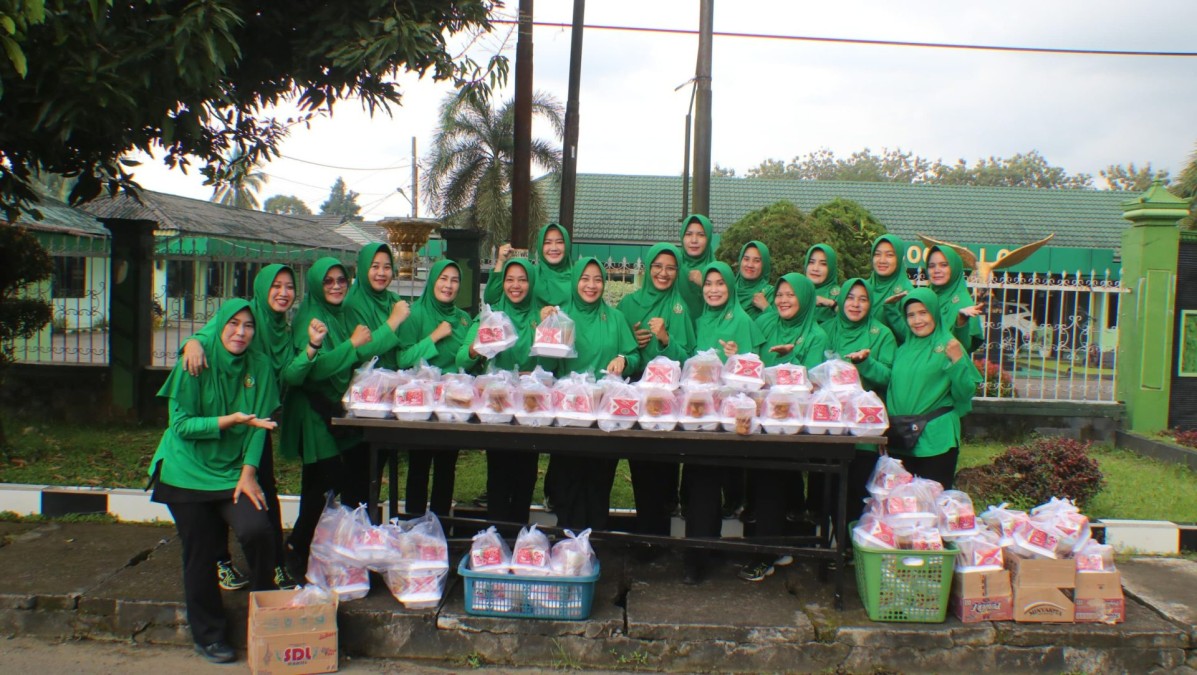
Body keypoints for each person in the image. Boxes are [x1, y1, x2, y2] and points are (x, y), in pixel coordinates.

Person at [148, 299, 279, 664]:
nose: (240, 332)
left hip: (230, 472)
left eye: (249, 325)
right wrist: (230, 420)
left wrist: (249, 474)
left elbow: (261, 426)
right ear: (219, 326)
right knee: (200, 551)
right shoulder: (195, 361)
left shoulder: (261, 366)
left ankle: (265, 619)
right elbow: (182, 425)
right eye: (233, 324)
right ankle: (209, 635)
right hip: (186, 470)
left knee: (257, 531)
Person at [179, 264, 302, 591]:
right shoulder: (247, 316)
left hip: (259, 413)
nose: (283, 293)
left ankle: (274, 564)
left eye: (289, 287)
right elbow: (209, 334)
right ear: (263, 288)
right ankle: (221, 561)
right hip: (226, 411)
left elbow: (286, 372)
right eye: (276, 286)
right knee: (216, 486)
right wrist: (192, 342)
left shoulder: (284, 329)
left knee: (264, 485)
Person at [281, 257, 403, 577]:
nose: (336, 286)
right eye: (328, 281)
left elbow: (361, 350)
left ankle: (327, 549)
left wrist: (386, 330)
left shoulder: (344, 311)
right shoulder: (310, 316)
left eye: (340, 281)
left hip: (339, 409)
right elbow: (315, 369)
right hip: (315, 410)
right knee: (325, 482)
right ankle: (300, 549)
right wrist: (361, 339)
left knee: (332, 482)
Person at [740, 273, 831, 583]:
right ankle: (773, 546)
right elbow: (749, 362)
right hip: (759, 419)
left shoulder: (816, 335)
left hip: (790, 425)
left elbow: (813, 382)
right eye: (780, 294)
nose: (783, 300)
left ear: (805, 298)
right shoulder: (765, 323)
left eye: (792, 295)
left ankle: (763, 554)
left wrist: (786, 364)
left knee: (772, 481)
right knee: (761, 483)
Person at [544, 258, 641, 531]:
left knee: (599, 479)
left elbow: (634, 355)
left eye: (597, 279)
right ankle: (567, 540)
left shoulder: (615, 317)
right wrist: (546, 331)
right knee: (568, 477)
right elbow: (548, 363)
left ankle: (595, 539)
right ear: (576, 281)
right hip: (569, 411)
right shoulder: (560, 317)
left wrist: (623, 359)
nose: (591, 285)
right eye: (585, 278)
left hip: (604, 412)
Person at [457, 258, 553, 530]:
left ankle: (519, 536)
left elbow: (556, 362)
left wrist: (549, 328)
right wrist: (477, 347)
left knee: (526, 474)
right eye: (510, 279)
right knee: (498, 473)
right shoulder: (492, 315)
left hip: (530, 407)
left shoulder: (541, 315)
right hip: (497, 406)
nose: (516, 285)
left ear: (531, 282)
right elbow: (462, 359)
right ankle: (495, 537)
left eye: (522, 279)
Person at [684, 261, 764, 584]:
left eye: (720, 283)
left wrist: (736, 357)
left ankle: (697, 558)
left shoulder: (742, 321)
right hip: (700, 412)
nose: (713, 289)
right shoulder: (701, 319)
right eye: (708, 283)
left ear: (730, 287)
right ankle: (706, 548)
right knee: (699, 481)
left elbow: (756, 372)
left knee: (706, 482)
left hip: (729, 418)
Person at [617, 244, 695, 539]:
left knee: (665, 465)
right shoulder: (628, 305)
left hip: (668, 399)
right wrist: (630, 342)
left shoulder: (679, 307)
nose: (663, 273)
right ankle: (646, 533)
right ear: (648, 269)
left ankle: (661, 533)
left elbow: (688, 357)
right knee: (641, 464)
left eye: (671, 268)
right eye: (657, 267)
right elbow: (617, 347)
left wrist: (664, 339)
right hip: (636, 394)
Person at [884, 288, 982, 488]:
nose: (917, 320)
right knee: (901, 508)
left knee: (932, 507)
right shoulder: (903, 349)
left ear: (935, 313)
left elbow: (965, 391)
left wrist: (957, 362)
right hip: (902, 438)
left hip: (936, 440)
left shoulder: (949, 345)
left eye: (923, 313)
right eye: (911, 315)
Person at [397, 259, 471, 517]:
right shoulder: (415, 314)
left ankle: (440, 530)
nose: (449, 286)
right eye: (443, 279)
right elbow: (403, 359)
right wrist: (434, 337)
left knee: (446, 466)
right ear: (433, 281)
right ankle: (414, 528)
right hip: (421, 406)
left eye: (454, 280)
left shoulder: (463, 319)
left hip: (452, 406)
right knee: (418, 466)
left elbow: (467, 361)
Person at [822, 277, 897, 514]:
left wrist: (866, 363)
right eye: (850, 298)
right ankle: (825, 547)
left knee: (857, 494)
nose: (855, 304)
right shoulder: (827, 330)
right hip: (830, 425)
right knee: (827, 494)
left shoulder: (881, 334)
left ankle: (850, 548)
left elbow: (887, 377)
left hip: (865, 428)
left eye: (863, 299)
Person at [486, 222, 574, 307]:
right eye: (547, 242)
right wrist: (501, 261)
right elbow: (491, 300)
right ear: (540, 246)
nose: (554, 248)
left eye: (559, 242)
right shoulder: (529, 274)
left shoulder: (579, 276)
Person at [925, 246, 985, 355]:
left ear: (955, 267)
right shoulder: (926, 297)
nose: (936, 270)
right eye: (931, 266)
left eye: (944, 265)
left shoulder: (964, 304)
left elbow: (963, 347)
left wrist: (961, 322)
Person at [866, 235, 915, 343]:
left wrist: (891, 310)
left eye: (889, 255)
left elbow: (912, 337)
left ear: (899, 259)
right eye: (877, 254)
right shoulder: (863, 288)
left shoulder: (908, 294)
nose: (882, 260)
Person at [676, 214, 716, 322]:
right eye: (688, 234)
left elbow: (730, 305)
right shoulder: (673, 267)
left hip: (708, 332)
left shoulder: (718, 271)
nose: (694, 240)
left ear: (708, 238)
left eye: (701, 235)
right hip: (677, 331)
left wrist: (705, 283)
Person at [735, 240, 774, 320]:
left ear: (764, 265)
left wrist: (766, 307)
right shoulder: (727, 290)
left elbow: (779, 326)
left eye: (756, 261)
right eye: (746, 259)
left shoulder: (770, 294)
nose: (750, 265)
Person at [804, 244, 841, 325]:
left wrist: (831, 304)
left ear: (831, 268)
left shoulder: (839, 295)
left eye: (823, 264)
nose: (815, 268)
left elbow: (851, 320)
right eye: (811, 262)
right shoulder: (796, 291)